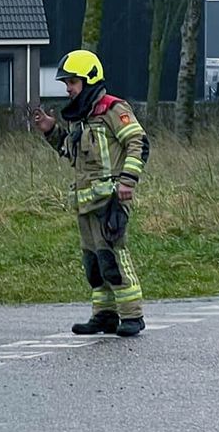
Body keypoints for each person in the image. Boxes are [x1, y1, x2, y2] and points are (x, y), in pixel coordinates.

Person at [32, 50, 151, 337]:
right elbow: (70, 152)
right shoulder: (80, 117)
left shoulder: (113, 110)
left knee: (113, 257)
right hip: (86, 203)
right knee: (95, 264)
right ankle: (104, 316)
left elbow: (138, 142)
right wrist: (51, 131)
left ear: (88, 79)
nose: (68, 89)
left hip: (110, 200)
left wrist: (127, 182)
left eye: (72, 82)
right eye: (66, 84)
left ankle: (133, 315)